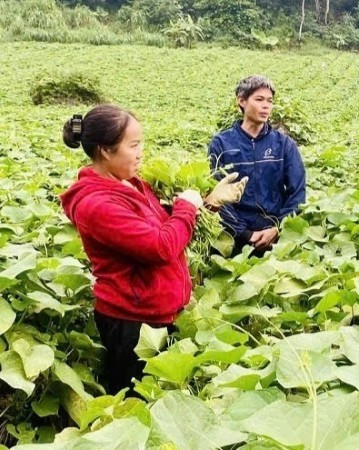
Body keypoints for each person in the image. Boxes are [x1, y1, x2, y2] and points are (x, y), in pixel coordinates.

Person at [60, 104, 247, 394]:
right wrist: (186, 205)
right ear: (106, 151)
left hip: (157, 314)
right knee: (137, 405)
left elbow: (164, 227)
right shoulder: (96, 204)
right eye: (133, 145)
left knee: (162, 399)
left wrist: (210, 201)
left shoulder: (130, 184)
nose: (141, 152)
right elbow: (160, 246)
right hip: (131, 322)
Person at [208, 75, 306, 255]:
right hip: (234, 238)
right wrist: (246, 234)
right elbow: (216, 195)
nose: (266, 105)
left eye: (270, 101)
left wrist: (278, 227)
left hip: (277, 237)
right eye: (259, 99)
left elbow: (297, 192)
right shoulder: (221, 144)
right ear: (241, 101)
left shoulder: (284, 145)